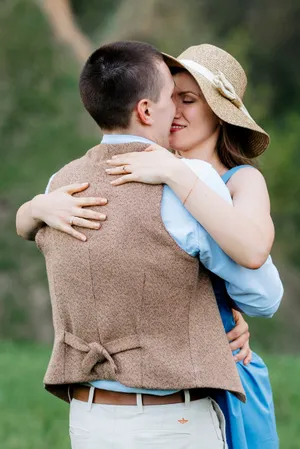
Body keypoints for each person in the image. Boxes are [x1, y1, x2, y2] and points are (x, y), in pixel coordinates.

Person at [16, 41, 283, 449]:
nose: (174, 110)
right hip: (177, 385)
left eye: (187, 100)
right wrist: (35, 208)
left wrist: (176, 175)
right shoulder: (135, 174)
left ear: (220, 114)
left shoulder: (237, 180)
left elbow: (256, 269)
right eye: (169, 98)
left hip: (226, 371)